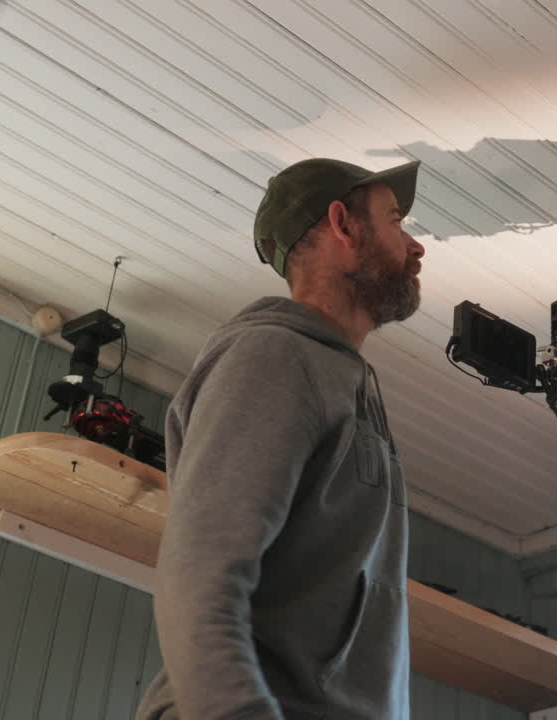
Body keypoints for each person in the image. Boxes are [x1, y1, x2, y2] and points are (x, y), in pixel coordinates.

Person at [134, 157, 425, 720]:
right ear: (344, 224)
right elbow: (199, 577)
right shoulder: (273, 357)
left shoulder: (346, 380)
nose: (415, 247)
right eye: (394, 220)